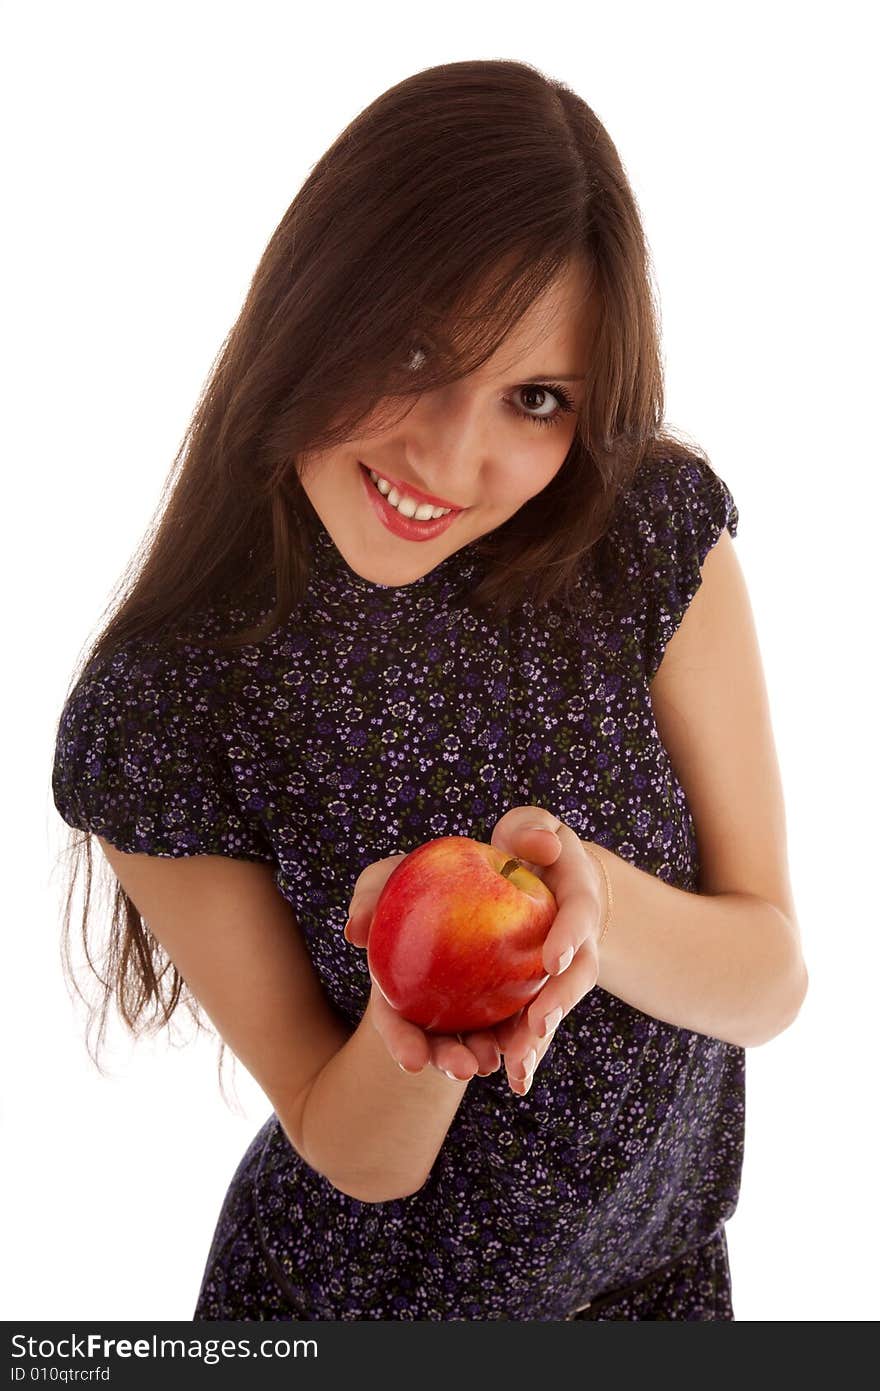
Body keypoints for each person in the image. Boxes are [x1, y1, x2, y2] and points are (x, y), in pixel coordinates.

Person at [51, 58, 808, 1321]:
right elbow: (351, 1146)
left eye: (533, 397)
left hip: (655, 1294)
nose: (449, 456)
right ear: (310, 309)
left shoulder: (644, 538)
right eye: (412, 351)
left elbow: (770, 975)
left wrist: (587, 903)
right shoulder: (165, 707)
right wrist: (422, 1017)